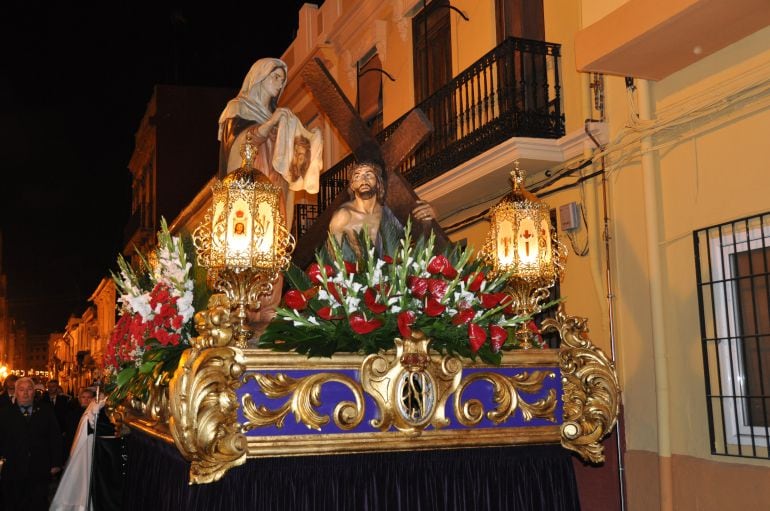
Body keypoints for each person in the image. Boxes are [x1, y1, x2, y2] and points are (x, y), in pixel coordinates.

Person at [218, 57, 323, 230]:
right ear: (260, 77)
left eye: (282, 80)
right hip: (250, 184)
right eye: (275, 77)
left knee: (272, 233)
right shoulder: (237, 108)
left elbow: (293, 153)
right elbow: (237, 146)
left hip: (275, 184)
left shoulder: (281, 116)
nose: (280, 84)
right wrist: (270, 123)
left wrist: (312, 140)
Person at [328, 161, 435, 258]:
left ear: (378, 183)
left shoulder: (389, 215)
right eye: (357, 177)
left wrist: (428, 216)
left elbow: (415, 237)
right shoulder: (343, 216)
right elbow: (333, 256)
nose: (363, 180)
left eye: (368, 175)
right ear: (352, 185)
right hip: (355, 277)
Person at [0, 377, 63, 511]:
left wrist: (56, 463)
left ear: (34, 392)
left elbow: (55, 437)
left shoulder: (46, 411)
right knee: (13, 504)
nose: (25, 393)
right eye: (21, 390)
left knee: (38, 503)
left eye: (29, 389)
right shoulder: (4, 412)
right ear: (16, 392)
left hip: (39, 468)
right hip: (13, 469)